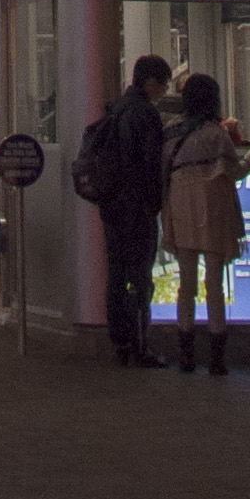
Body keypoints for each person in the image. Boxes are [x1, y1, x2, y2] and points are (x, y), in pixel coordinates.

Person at [159, 71, 247, 373]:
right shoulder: (216, 133)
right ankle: (217, 358)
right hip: (212, 210)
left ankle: (186, 356)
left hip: (179, 207)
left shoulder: (171, 131)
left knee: (186, 285)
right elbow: (234, 171)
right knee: (214, 283)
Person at [89, 51, 173, 366]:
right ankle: (139, 345)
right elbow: (150, 163)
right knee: (140, 278)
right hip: (136, 207)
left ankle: (121, 343)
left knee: (117, 274)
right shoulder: (144, 114)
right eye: (162, 86)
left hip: (112, 206)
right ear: (151, 82)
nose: (163, 92)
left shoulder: (117, 109)